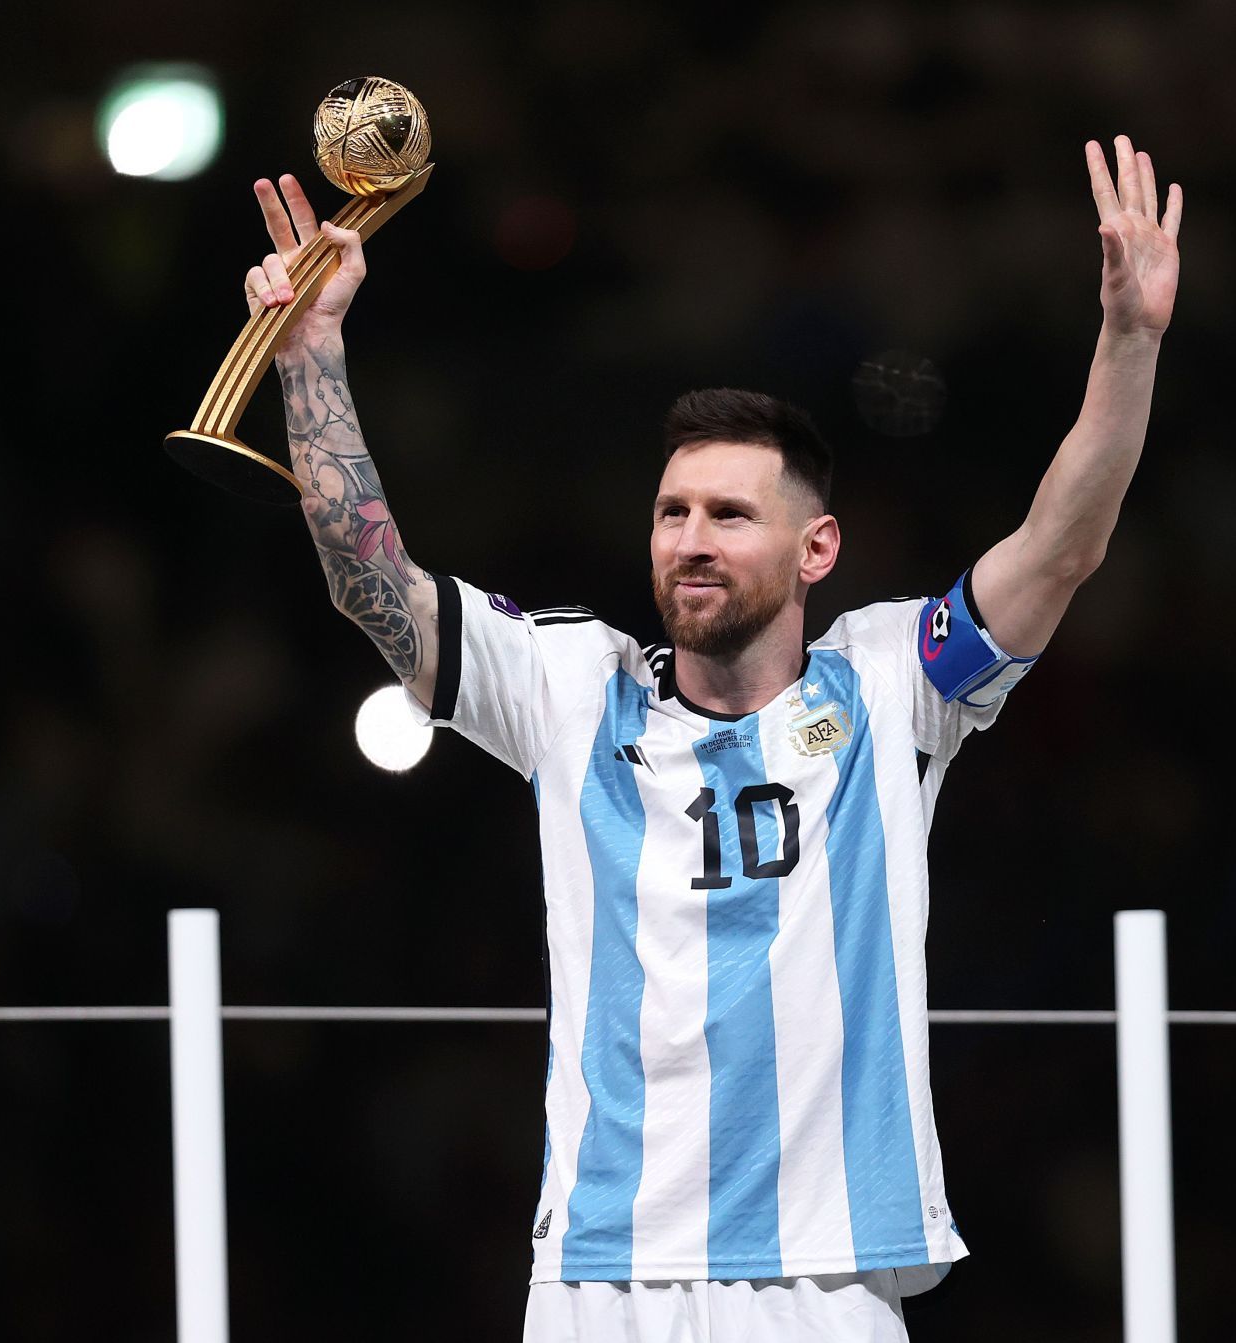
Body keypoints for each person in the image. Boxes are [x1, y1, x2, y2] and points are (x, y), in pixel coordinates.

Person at [243, 134, 1181, 1341]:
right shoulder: (572, 684)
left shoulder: (895, 682)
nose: (691, 537)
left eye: (730, 514)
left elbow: (1062, 544)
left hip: (828, 1271)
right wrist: (312, 354)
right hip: (602, 1271)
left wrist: (1131, 338)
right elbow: (372, 583)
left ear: (816, 550)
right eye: (672, 510)